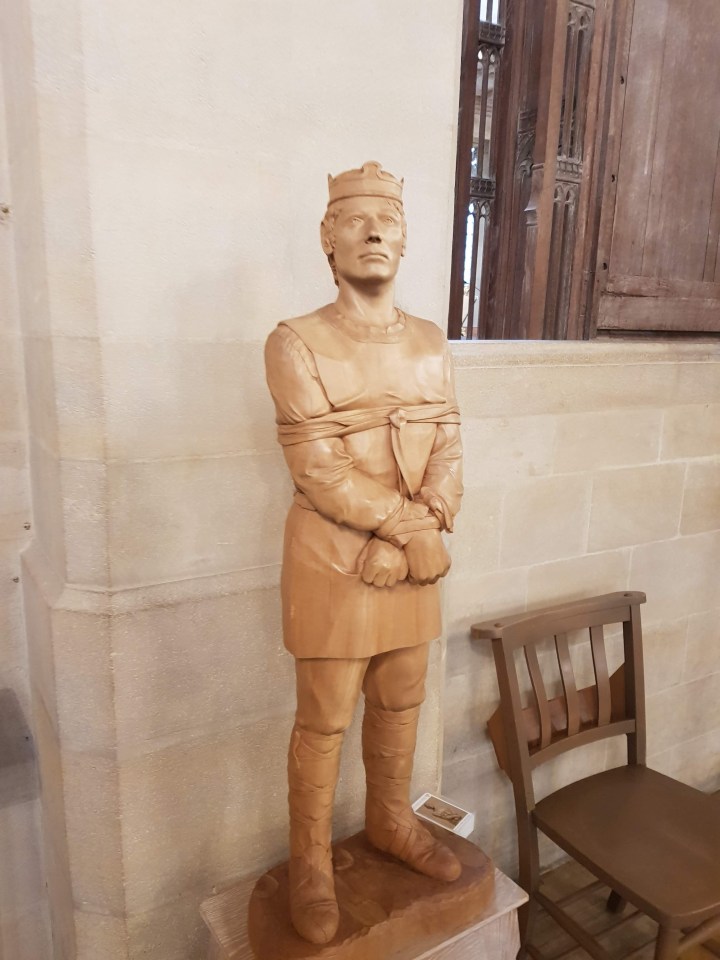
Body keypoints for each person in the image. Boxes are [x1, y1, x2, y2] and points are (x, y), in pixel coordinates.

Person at [264, 161, 463, 945]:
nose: (374, 229)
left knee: (403, 697)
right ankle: (310, 860)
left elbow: (448, 444)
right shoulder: (295, 342)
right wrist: (411, 534)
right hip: (332, 561)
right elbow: (317, 465)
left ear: (406, 237)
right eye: (354, 218)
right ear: (327, 237)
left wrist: (428, 523)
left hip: (408, 561)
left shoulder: (429, 342)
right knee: (324, 719)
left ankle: (389, 821)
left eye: (387, 217)